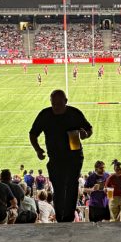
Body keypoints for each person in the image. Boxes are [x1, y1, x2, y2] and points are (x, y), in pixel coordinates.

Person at [29, 89, 93, 222]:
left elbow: (89, 128)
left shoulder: (74, 113)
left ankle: (68, 218)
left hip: (74, 157)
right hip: (55, 159)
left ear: (66, 102)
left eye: (59, 103)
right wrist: (38, 149)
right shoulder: (45, 115)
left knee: (71, 186)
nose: (56, 106)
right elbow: (33, 133)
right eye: (54, 103)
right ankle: (60, 217)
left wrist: (85, 134)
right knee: (58, 187)